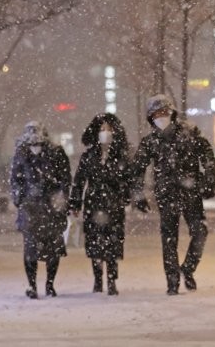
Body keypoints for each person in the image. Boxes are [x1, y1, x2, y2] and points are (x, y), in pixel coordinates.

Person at [131, 94, 215, 295]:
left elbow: (207, 156)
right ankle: (172, 281)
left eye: (164, 112)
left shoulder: (189, 134)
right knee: (169, 239)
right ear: (150, 118)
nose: (161, 117)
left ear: (172, 113)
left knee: (200, 232)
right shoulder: (150, 142)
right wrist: (138, 195)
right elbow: (137, 170)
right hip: (166, 196)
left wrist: (210, 181)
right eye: (156, 114)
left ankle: (187, 269)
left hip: (191, 193)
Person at [69, 113, 133, 296]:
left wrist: (126, 196)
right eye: (102, 129)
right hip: (93, 203)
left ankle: (112, 281)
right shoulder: (88, 156)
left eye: (109, 129)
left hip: (114, 204)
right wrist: (75, 203)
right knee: (95, 243)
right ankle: (98, 280)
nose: (105, 133)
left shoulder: (121, 156)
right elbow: (79, 181)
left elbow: (128, 179)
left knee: (112, 243)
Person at [9, 121, 71, 299]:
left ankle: (50, 284)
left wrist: (60, 197)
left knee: (53, 250)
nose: (35, 145)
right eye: (32, 142)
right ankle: (32, 285)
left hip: (52, 208)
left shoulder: (57, 153)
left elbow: (65, 179)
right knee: (30, 249)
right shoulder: (21, 154)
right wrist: (20, 196)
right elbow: (15, 179)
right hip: (30, 209)